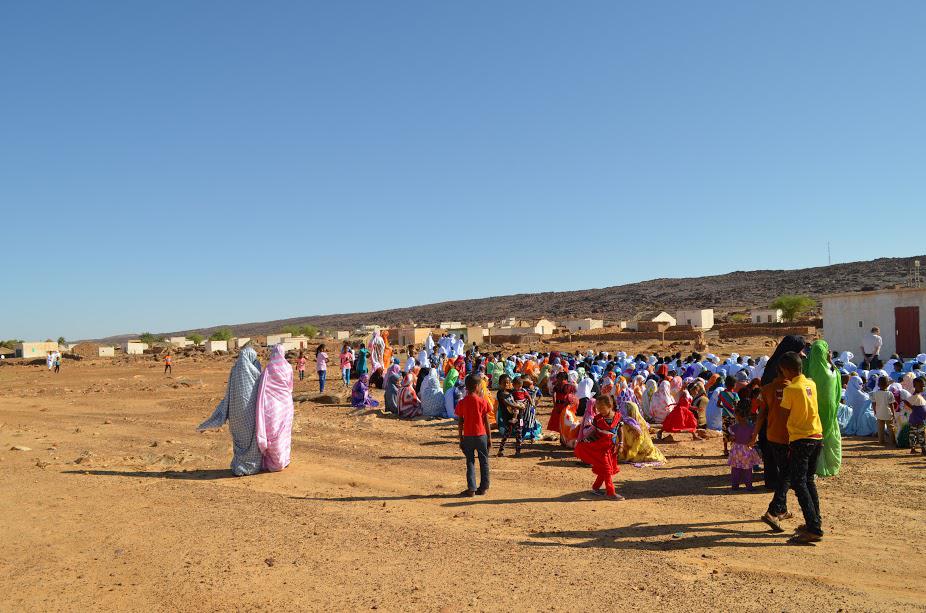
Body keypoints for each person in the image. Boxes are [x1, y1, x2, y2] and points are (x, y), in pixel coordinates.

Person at [778, 351, 824, 544]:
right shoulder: (810, 383)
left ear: (787, 370)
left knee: (798, 482)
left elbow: (784, 412)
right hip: (816, 435)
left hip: (801, 438)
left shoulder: (790, 389)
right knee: (808, 481)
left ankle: (813, 527)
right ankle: (815, 521)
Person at [197, 346, 263, 476]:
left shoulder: (235, 370)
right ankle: (250, 467)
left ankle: (239, 466)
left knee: (240, 441)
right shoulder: (257, 373)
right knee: (252, 440)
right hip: (251, 415)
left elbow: (229, 392)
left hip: (235, 414)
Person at [803, 340, 842, 477]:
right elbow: (837, 377)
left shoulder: (808, 367)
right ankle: (829, 466)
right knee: (830, 437)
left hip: (813, 411)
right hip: (830, 413)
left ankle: (815, 466)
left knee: (814, 437)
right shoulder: (832, 371)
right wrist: (830, 360)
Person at [573, 395, 623, 501]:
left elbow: (619, 430)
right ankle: (610, 492)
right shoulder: (597, 419)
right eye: (598, 408)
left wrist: (621, 443)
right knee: (606, 469)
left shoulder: (618, 416)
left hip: (611, 448)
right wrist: (585, 442)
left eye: (602, 408)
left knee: (603, 469)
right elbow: (594, 433)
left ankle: (595, 488)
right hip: (600, 448)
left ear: (610, 406)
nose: (599, 411)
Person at [255, 344, 294, 472]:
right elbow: (290, 386)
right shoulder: (288, 367)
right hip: (285, 404)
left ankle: (275, 461)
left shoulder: (269, 368)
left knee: (272, 431)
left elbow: (262, 385)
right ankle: (284, 459)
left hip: (270, 405)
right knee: (284, 432)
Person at [455, 374, 492, 497]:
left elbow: (460, 421)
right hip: (481, 435)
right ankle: (484, 487)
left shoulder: (462, 402)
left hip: (468, 436)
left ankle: (471, 488)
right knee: (484, 461)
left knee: (470, 461)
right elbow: (487, 421)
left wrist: (461, 438)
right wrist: (490, 438)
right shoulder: (482, 401)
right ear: (477, 387)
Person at [728, 406, 761, 491]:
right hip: (746, 449)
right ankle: (749, 486)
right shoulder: (751, 427)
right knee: (747, 469)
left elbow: (731, 438)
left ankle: (735, 485)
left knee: (735, 468)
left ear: (737, 416)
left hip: (736, 450)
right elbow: (754, 438)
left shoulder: (734, 427)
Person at [496, 374, 527, 457]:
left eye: (508, 382)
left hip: (520, 416)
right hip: (509, 418)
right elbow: (506, 403)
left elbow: (522, 395)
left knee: (519, 432)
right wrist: (518, 406)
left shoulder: (512, 391)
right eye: (504, 383)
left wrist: (524, 402)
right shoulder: (500, 393)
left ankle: (518, 451)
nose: (507, 384)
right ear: (500, 383)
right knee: (507, 433)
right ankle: (500, 450)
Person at [871, 376, 897, 446]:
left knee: (880, 428)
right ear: (888, 385)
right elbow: (891, 405)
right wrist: (893, 413)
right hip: (888, 413)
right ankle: (892, 441)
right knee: (890, 427)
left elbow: (873, 403)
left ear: (878, 385)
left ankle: (881, 441)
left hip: (879, 413)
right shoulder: (889, 393)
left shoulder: (875, 393)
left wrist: (875, 411)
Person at [717, 377, 740, 457]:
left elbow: (718, 404)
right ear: (734, 385)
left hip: (724, 416)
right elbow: (737, 405)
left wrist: (724, 407)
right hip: (733, 416)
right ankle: (733, 449)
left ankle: (726, 450)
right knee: (733, 432)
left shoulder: (721, 394)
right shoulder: (735, 395)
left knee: (725, 432)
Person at [903, 377, 926, 454]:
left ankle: (913, 449)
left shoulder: (919, 396)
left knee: (914, 434)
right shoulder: (914, 396)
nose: (923, 387)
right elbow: (906, 402)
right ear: (915, 386)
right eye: (921, 386)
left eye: (923, 386)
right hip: (918, 420)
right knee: (921, 434)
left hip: (916, 419)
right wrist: (912, 407)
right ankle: (923, 449)